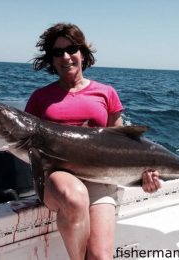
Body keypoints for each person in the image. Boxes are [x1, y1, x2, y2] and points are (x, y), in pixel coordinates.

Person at [25, 23, 161, 260]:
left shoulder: (106, 93)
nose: (66, 57)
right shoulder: (39, 98)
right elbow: (26, 142)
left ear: (83, 53)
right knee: (74, 196)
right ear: (51, 59)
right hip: (57, 178)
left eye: (72, 49)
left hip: (100, 178)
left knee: (100, 256)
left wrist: (144, 177)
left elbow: (122, 144)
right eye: (58, 52)